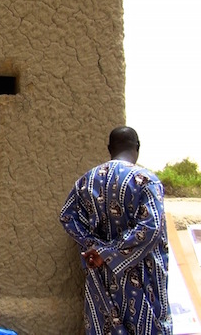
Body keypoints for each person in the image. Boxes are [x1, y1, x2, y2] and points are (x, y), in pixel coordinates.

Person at [59, 126, 172, 334]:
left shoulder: (86, 181)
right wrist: (109, 253)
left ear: (109, 148)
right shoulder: (146, 181)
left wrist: (95, 249)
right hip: (144, 284)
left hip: (100, 278)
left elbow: (67, 217)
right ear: (137, 148)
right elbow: (151, 227)